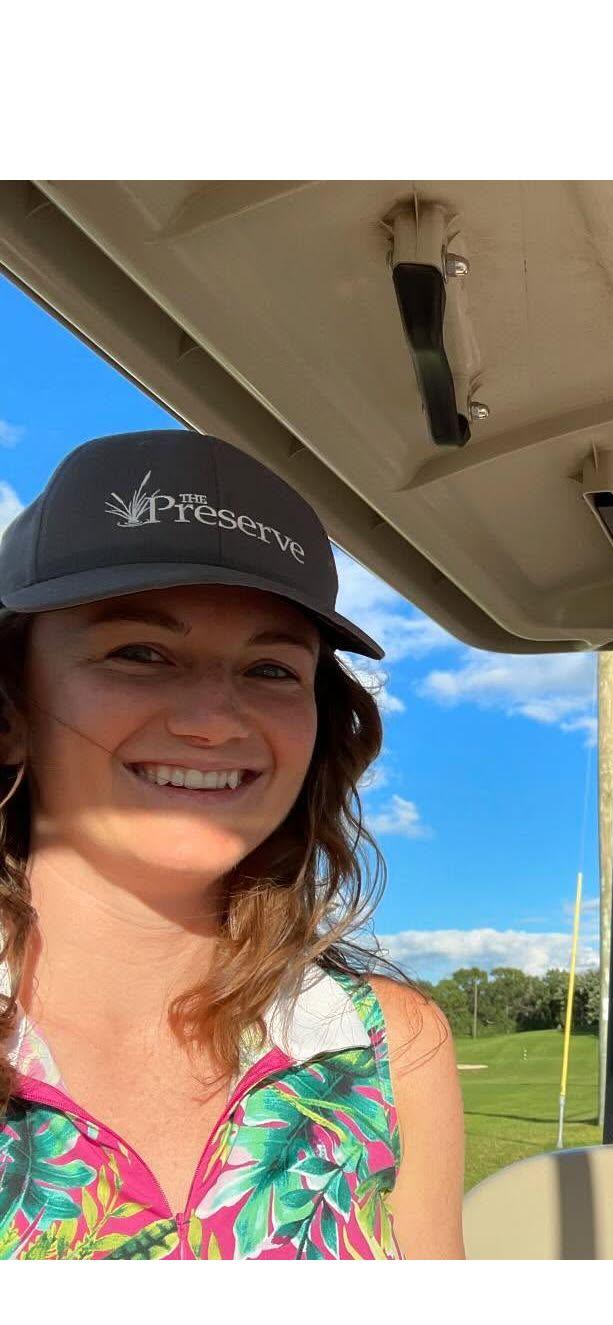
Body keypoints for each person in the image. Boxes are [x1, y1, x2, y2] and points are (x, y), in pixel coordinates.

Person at [0, 430, 464, 1259]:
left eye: (271, 669)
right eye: (139, 653)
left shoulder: (391, 1048)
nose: (214, 720)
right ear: (11, 708)